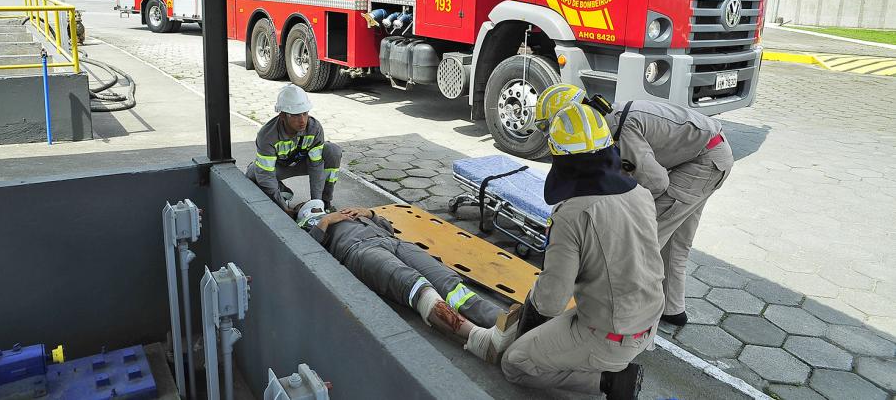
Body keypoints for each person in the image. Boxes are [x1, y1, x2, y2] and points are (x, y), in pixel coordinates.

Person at [501, 101, 664, 400]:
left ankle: (610, 382)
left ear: (560, 158)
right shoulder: (640, 193)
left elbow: (550, 302)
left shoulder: (571, 214)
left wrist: (528, 312)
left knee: (514, 362)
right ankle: (600, 362)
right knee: (561, 331)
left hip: (610, 335)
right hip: (648, 321)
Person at [293, 199, 521, 363]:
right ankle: (478, 339)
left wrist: (370, 215)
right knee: (415, 286)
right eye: (317, 210)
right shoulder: (315, 229)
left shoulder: (348, 214)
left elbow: (389, 228)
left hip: (393, 242)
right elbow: (310, 255)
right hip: (360, 251)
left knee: (448, 283)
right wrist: (325, 222)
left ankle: (503, 324)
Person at [602, 99, 733, 327]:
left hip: (703, 163)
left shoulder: (624, 127)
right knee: (676, 242)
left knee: (644, 242)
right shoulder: (618, 111)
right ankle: (673, 310)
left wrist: (625, 211)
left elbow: (656, 182)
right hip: (714, 155)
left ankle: (628, 317)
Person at [246, 83, 342, 213]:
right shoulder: (266, 135)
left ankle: (326, 203)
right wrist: (283, 208)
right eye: (295, 115)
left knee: (332, 151)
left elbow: (316, 167)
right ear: (282, 116)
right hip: (277, 168)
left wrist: (317, 204)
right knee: (253, 174)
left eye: (305, 113)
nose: (302, 120)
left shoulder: (314, 128)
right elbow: (266, 175)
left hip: (303, 164)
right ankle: (281, 192)